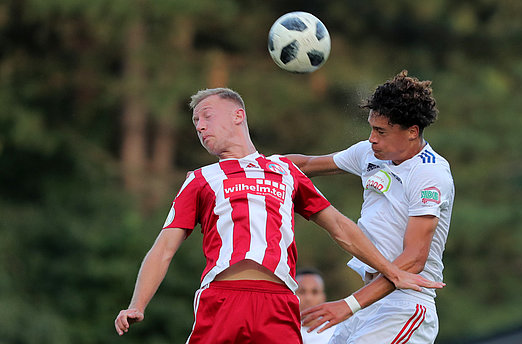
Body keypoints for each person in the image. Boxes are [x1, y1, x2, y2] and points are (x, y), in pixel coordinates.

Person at [114, 87, 444, 344]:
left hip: (299, 303)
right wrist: (137, 303)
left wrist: (385, 274)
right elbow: (164, 248)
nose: (200, 126)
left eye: (207, 116)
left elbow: (341, 227)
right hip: (223, 300)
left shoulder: (429, 176)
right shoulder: (201, 179)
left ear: (238, 115)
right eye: (195, 122)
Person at [287, 70, 454, 344]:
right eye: (371, 128)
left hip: (405, 305)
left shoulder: (430, 173)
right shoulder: (369, 153)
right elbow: (304, 165)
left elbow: (413, 259)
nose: (372, 138)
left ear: (412, 132)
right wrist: (246, 166)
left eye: (381, 131)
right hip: (369, 301)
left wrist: (348, 304)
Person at [296, 268, 337, 344]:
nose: (308, 298)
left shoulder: (337, 332)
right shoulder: (280, 329)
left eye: (314, 292)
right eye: (302, 292)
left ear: (323, 297)